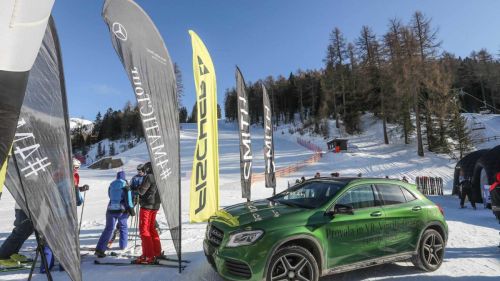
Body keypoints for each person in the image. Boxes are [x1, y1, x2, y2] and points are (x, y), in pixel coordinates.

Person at [41, 158, 85, 273]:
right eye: (76, 168)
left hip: (52, 214)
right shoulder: (71, 180)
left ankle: (45, 266)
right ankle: (64, 265)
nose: (77, 170)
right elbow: (78, 201)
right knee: (66, 240)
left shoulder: (53, 177)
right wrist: (78, 190)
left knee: (50, 240)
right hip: (66, 215)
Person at [94, 171, 135, 258]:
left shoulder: (111, 185)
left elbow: (110, 195)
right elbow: (129, 199)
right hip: (121, 210)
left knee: (108, 229)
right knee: (123, 227)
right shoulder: (126, 185)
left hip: (110, 209)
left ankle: (100, 249)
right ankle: (122, 245)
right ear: (124, 177)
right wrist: (131, 209)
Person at [134, 162, 162, 264]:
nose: (144, 171)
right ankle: (156, 252)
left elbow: (141, 191)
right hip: (155, 205)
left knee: (144, 230)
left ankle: (148, 255)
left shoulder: (149, 176)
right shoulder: (159, 176)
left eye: (145, 169)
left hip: (147, 206)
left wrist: (134, 189)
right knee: (151, 228)